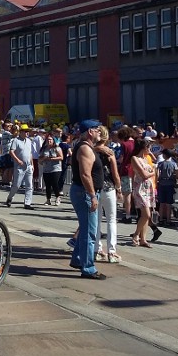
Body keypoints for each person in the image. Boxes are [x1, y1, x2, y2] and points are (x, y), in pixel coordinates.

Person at [69, 119, 106, 279]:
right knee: (89, 233)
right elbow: (85, 174)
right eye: (97, 129)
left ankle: (78, 259)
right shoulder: (85, 149)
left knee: (85, 229)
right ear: (90, 132)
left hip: (84, 192)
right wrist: (92, 195)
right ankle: (88, 268)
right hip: (84, 193)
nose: (100, 132)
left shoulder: (87, 147)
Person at [95, 125, 122, 263]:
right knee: (111, 220)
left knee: (97, 220)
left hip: (94, 188)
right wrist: (119, 189)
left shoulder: (90, 150)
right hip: (109, 188)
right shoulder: (109, 153)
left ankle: (98, 249)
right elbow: (115, 174)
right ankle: (112, 251)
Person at [130, 138, 159, 247]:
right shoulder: (135, 158)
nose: (150, 151)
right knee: (146, 214)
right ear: (144, 148)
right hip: (140, 188)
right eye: (149, 148)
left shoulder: (146, 159)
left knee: (146, 215)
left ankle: (143, 239)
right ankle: (136, 235)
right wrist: (152, 172)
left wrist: (151, 172)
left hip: (148, 187)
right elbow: (144, 174)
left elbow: (151, 171)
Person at [6, 124, 34, 209]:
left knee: (29, 185)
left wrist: (32, 164)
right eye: (25, 131)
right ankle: (10, 198)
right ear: (21, 132)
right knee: (16, 185)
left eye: (28, 132)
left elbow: (30, 154)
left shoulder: (29, 141)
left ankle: (27, 203)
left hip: (28, 166)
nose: (27, 133)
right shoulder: (16, 140)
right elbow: (11, 152)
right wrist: (17, 160)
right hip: (19, 166)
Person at [117, 126, 135, 224]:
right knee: (136, 193)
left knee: (127, 194)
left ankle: (128, 215)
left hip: (126, 170)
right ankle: (137, 213)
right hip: (136, 170)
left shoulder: (124, 144)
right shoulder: (137, 143)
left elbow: (121, 158)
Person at [156, 148, 178, 226]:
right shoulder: (173, 164)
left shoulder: (160, 164)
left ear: (164, 155)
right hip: (170, 184)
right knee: (169, 203)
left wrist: (157, 181)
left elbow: (158, 174)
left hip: (162, 184)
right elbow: (176, 174)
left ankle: (161, 219)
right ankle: (168, 220)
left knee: (161, 203)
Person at [39, 133, 63, 205]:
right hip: (46, 169)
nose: (49, 141)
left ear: (53, 141)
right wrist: (43, 159)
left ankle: (57, 197)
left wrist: (51, 159)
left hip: (55, 168)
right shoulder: (44, 149)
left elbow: (61, 157)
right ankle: (48, 199)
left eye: (50, 140)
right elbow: (40, 158)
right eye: (48, 140)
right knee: (47, 184)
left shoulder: (57, 148)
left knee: (54, 183)